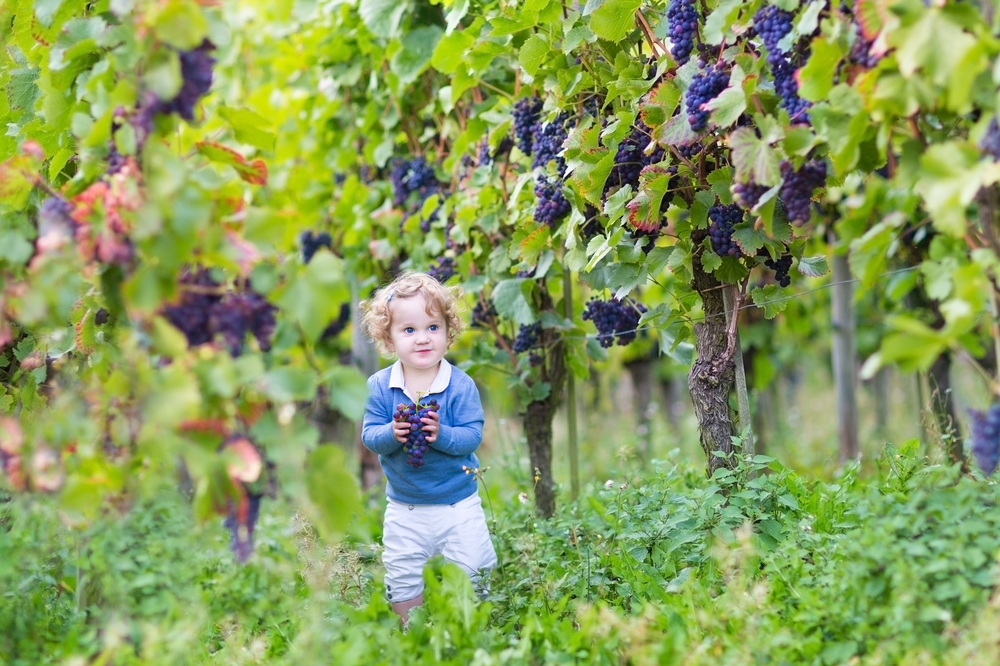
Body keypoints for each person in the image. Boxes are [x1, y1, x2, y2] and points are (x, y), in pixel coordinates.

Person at [359, 271, 497, 622]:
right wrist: (393, 432)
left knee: (473, 566)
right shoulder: (379, 386)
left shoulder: (461, 385)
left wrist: (443, 435)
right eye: (409, 330)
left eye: (432, 328)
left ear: (448, 333)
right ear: (388, 339)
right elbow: (370, 435)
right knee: (401, 574)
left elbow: (472, 435)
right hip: (405, 507)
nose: (422, 339)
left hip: (457, 502)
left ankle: (469, 624)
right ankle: (412, 632)